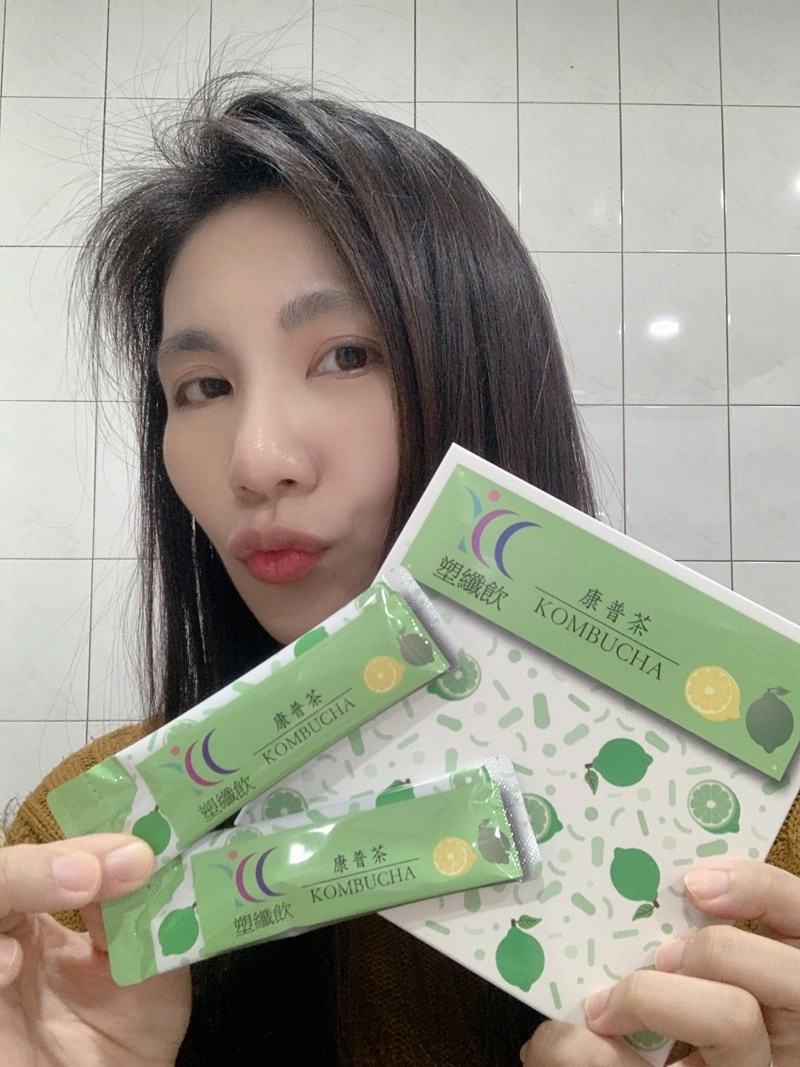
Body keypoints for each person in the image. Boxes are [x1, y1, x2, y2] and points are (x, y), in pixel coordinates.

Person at [2, 76, 799, 1067]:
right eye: (203, 385)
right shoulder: (78, 881)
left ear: (484, 376)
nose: (256, 460)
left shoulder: (752, 874)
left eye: (345, 355)